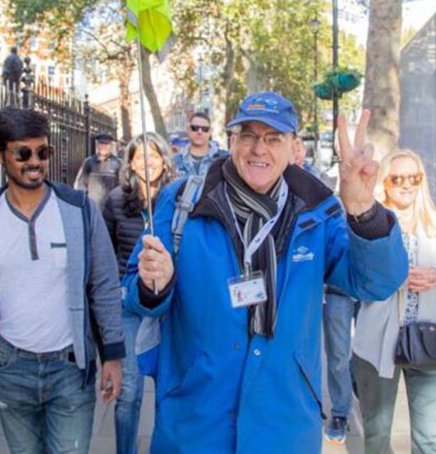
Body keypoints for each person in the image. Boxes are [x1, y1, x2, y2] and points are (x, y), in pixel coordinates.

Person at [123, 91, 408, 453]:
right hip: (194, 423)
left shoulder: (317, 213)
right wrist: (153, 286)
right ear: (232, 142)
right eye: (249, 136)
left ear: (293, 148)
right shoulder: (182, 203)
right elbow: (135, 291)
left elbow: (377, 283)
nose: (260, 149)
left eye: (274, 138)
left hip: (284, 424)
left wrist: (364, 209)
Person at [0, 108, 124, 454]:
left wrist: (113, 354)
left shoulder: (79, 210)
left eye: (43, 152)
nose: (34, 162)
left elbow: (105, 283)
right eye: (23, 153)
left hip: (70, 366)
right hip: (11, 367)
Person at [351, 148, 436, 454]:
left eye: (414, 177)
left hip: (427, 341)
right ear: (384, 182)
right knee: (376, 433)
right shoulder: (373, 222)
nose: (406, 184)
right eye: (397, 177)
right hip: (377, 343)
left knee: (427, 438)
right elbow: (359, 279)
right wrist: (398, 278)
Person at [102, 133, 175, 454]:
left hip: (168, 304)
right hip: (127, 303)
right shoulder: (116, 199)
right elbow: (103, 253)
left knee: (167, 387)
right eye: (140, 157)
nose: (148, 163)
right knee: (129, 390)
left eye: (154, 155)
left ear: (164, 159)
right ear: (130, 162)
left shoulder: (177, 199)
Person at [292, 137, 357, 444]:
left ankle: (341, 411)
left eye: (291, 144)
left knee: (338, 354)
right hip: (296, 291)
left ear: (298, 148)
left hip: (334, 288)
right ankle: (302, 410)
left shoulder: (320, 184)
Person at [173, 111, 228, 177]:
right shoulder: (174, 161)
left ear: (210, 132)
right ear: (188, 130)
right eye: (195, 128)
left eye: (205, 129)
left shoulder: (224, 159)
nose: (199, 132)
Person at [74, 132, 123, 207]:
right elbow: (80, 184)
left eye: (106, 144)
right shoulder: (88, 162)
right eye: (101, 144)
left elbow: (123, 185)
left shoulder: (119, 163)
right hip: (93, 207)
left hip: (112, 208)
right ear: (97, 145)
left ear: (111, 146)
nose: (104, 147)